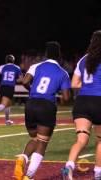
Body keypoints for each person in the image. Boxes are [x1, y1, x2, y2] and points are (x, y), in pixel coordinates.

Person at [13, 41, 71, 180]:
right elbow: (66, 97)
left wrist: (32, 91)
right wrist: (61, 100)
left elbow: (25, 81)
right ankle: (29, 176)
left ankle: (23, 158)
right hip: (46, 106)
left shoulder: (36, 66)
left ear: (46, 54)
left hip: (31, 104)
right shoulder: (63, 73)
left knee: (34, 138)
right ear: (59, 55)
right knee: (42, 142)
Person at [61, 30, 101, 180]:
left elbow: (74, 83)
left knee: (81, 139)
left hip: (82, 102)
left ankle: (68, 166)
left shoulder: (83, 59)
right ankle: (98, 173)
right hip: (99, 101)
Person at [0, 54, 23, 125]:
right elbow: (21, 79)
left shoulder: (2, 66)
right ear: (13, 60)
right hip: (9, 87)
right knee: (4, 104)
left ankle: (7, 120)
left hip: (2, 86)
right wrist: (15, 80)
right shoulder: (16, 67)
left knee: (8, 104)